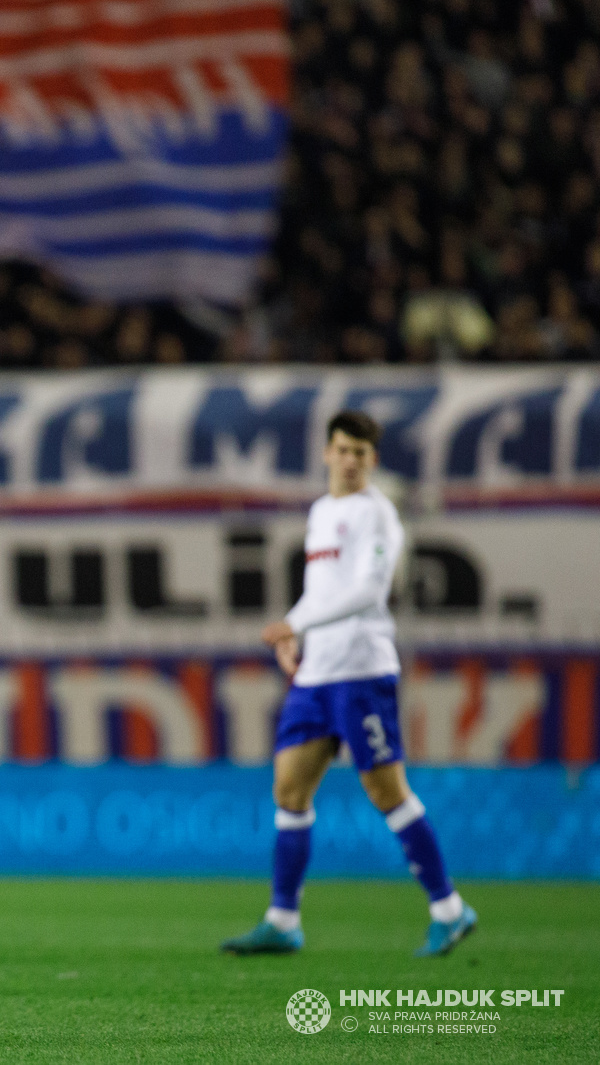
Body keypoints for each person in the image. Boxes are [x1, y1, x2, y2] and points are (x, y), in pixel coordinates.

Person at [222, 410, 476, 958]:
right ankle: (283, 919)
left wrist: (298, 623)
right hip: (317, 673)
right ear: (327, 453)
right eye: (343, 449)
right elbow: (321, 590)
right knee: (289, 790)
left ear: (372, 460)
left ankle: (449, 910)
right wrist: (293, 628)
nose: (351, 460)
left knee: (387, 792)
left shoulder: (378, 514)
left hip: (362, 670)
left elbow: (367, 592)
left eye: (361, 453)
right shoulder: (320, 512)